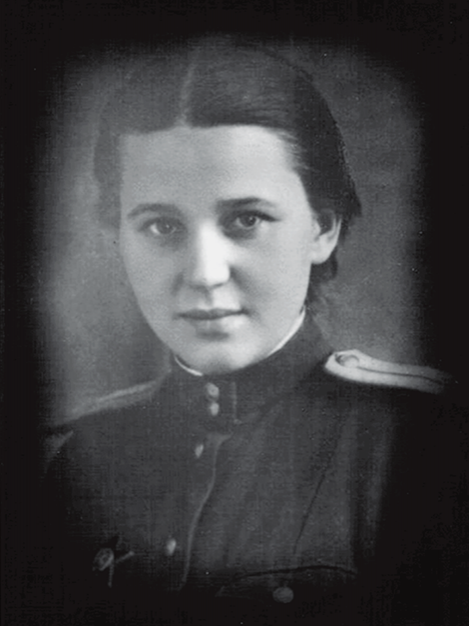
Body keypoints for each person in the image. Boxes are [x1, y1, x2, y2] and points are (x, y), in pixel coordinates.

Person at [28, 36, 465, 625]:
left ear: (323, 228)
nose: (205, 274)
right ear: (116, 239)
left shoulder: (425, 447)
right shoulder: (74, 462)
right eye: (161, 227)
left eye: (247, 219)